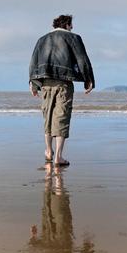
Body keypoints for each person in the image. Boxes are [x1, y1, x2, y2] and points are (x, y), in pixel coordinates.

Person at [28, 14, 95, 166]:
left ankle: (48, 151)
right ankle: (58, 157)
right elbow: (82, 59)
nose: (73, 28)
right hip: (64, 83)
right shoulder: (73, 38)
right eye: (71, 25)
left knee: (48, 116)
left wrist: (33, 83)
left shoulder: (42, 39)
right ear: (67, 25)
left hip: (45, 83)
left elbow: (34, 61)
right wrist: (88, 79)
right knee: (61, 117)